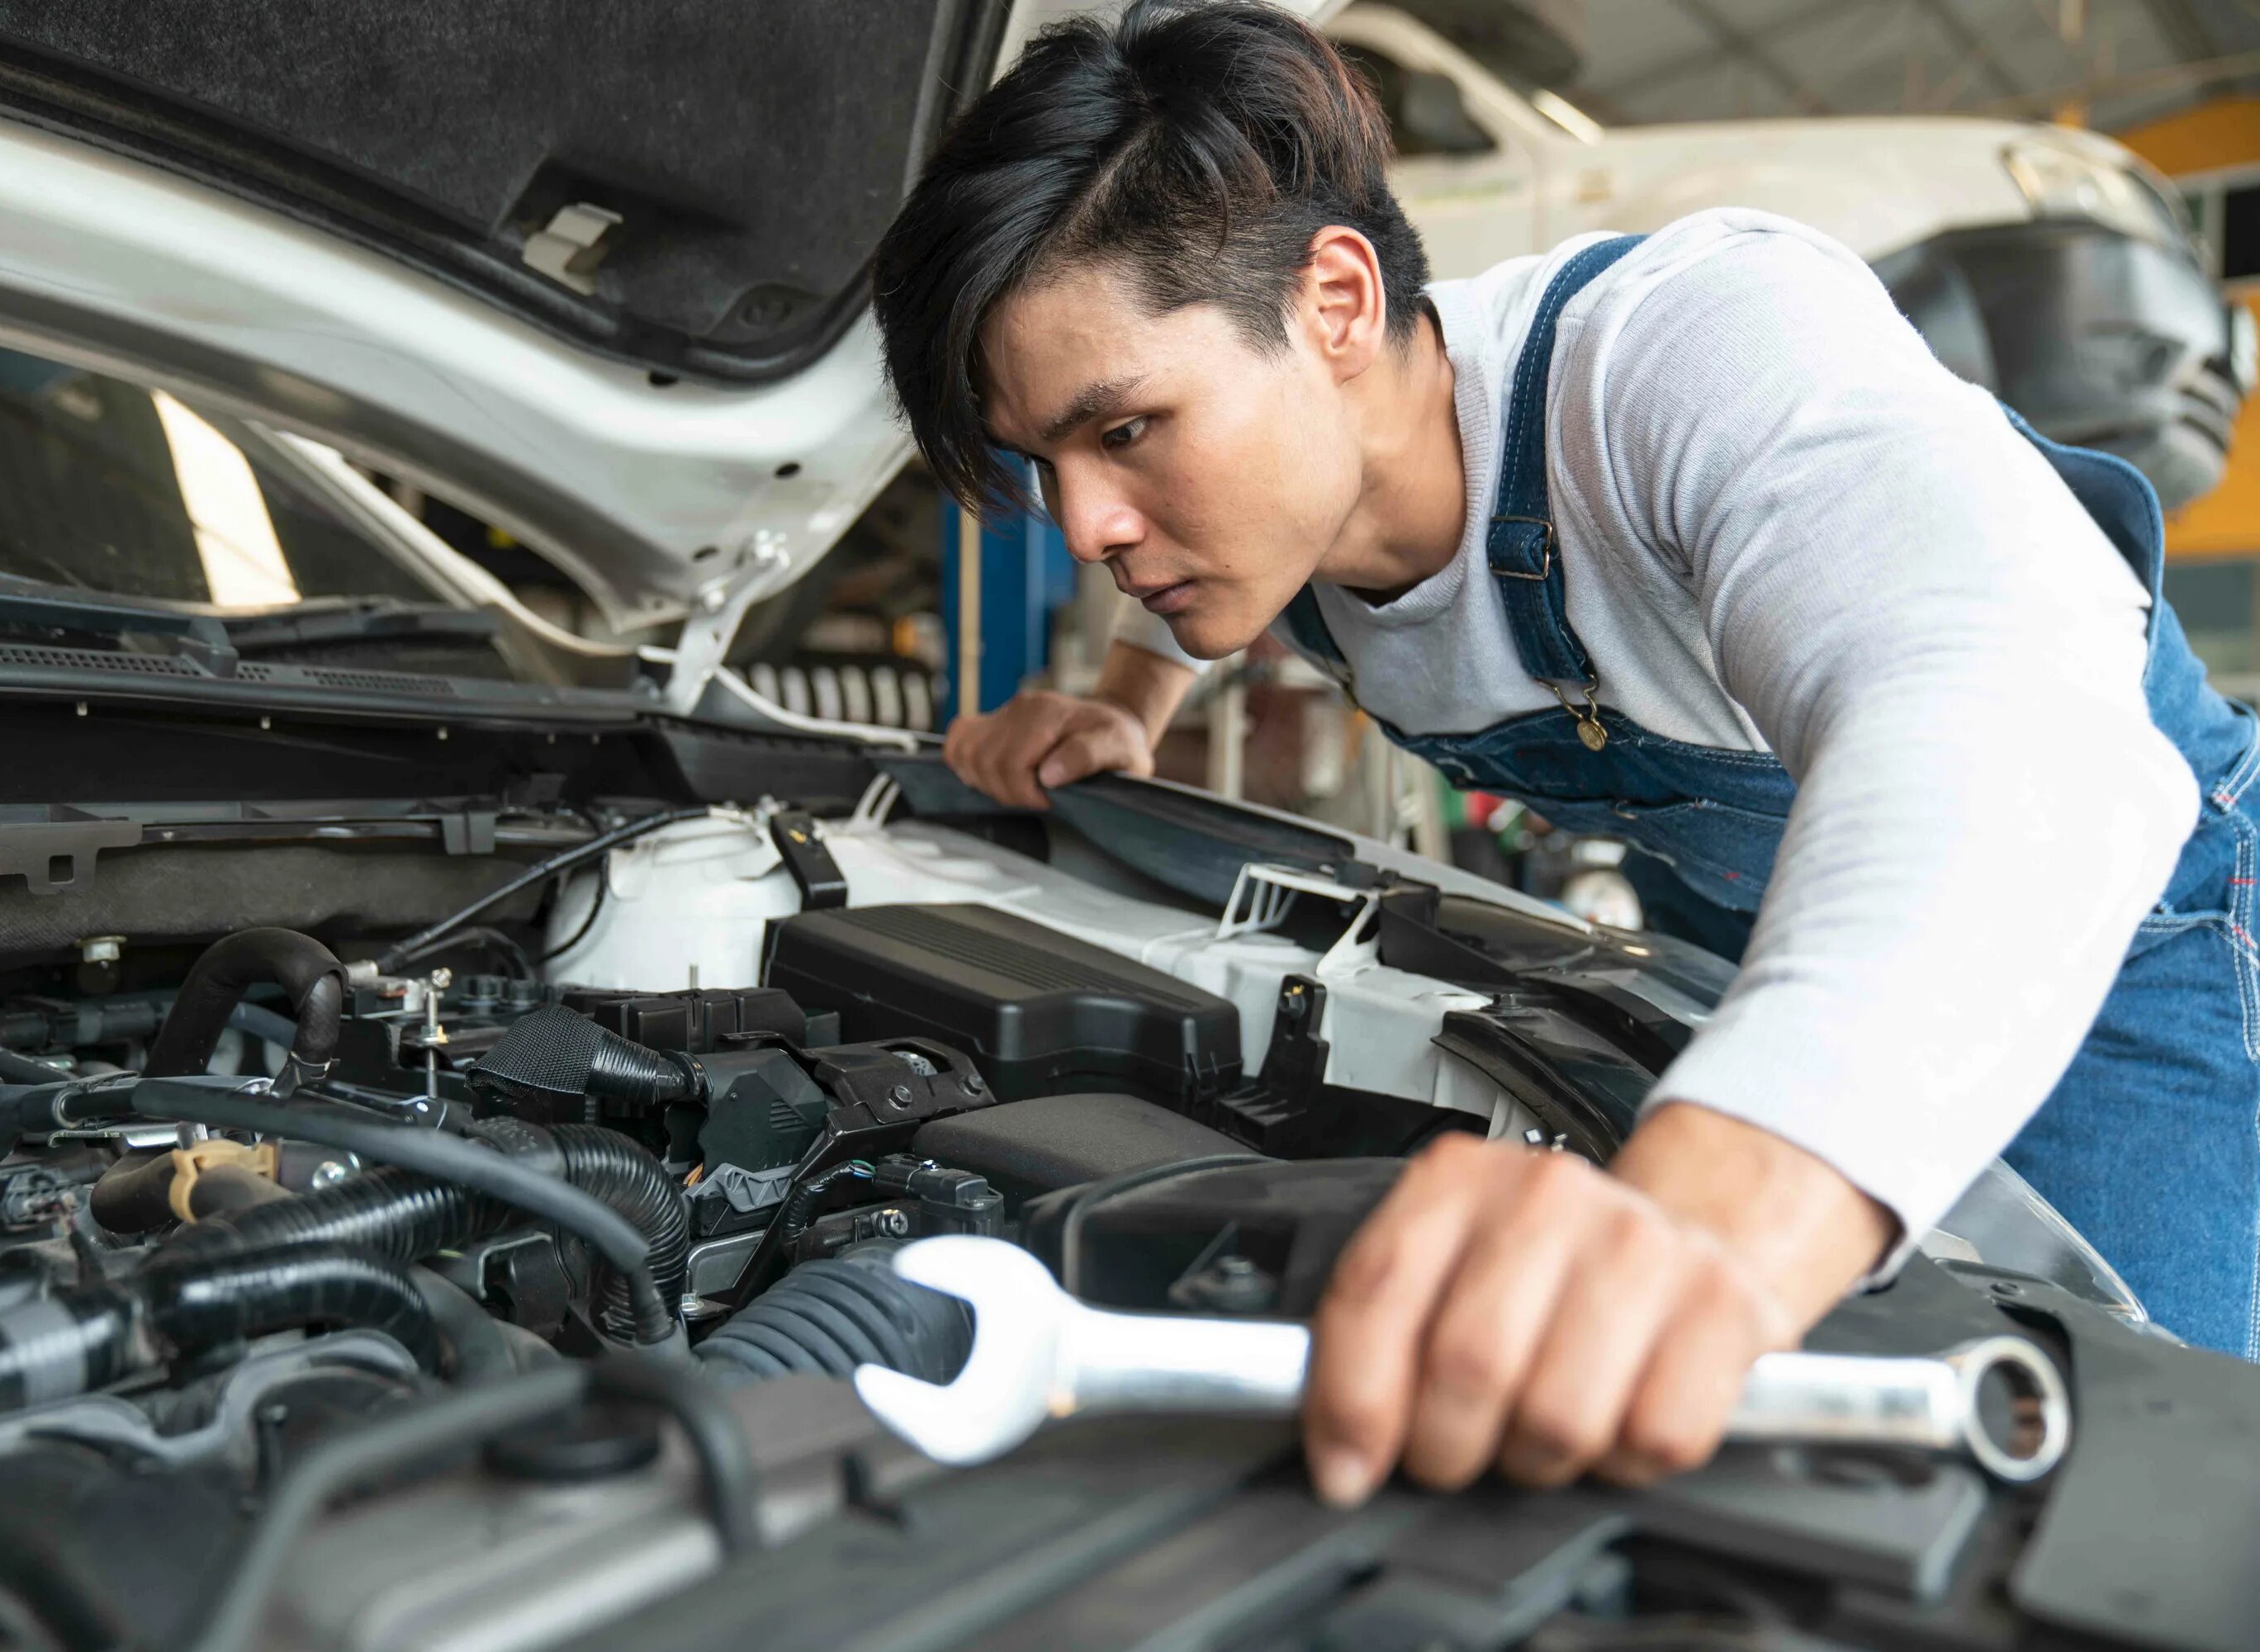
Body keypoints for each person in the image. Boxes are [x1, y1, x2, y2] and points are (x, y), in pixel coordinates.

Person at [869, 0, 2259, 1504]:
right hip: (1737, 923)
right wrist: (1130, 703)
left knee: (2143, 1471)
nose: (1087, 526)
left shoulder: (1693, 350)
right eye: (1049, 465)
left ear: (1336, 304)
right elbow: (1176, 564)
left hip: (2125, 926)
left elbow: (2011, 725)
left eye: (1126, 432)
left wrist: (1713, 1207)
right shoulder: (1282, 509)